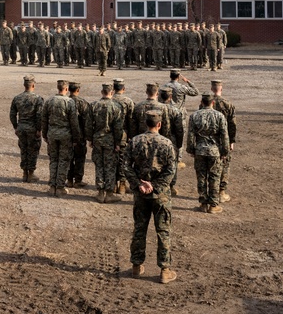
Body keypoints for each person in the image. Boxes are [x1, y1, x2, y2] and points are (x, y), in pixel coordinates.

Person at [123, 108, 177, 284]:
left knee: (139, 229)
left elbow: (126, 166)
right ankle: (165, 270)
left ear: (145, 123)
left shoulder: (135, 141)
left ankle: (136, 266)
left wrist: (138, 184)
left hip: (141, 194)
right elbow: (171, 170)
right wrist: (155, 186)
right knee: (163, 231)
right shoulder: (167, 143)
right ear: (159, 124)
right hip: (160, 195)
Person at [186, 94, 230, 213]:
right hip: (215, 151)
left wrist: (191, 150)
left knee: (201, 177)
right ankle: (213, 205)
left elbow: (190, 135)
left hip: (200, 150)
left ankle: (203, 204)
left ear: (201, 102)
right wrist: (225, 151)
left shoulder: (194, 116)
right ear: (213, 103)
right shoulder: (219, 116)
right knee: (214, 177)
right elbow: (224, 136)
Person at [86, 82, 124, 203]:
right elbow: (118, 128)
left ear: (102, 92)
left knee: (99, 165)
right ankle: (109, 193)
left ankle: (100, 193)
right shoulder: (116, 107)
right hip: (110, 141)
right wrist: (117, 143)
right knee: (110, 167)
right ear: (112, 92)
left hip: (97, 140)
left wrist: (90, 139)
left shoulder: (93, 105)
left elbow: (88, 125)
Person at [41, 79, 79, 196]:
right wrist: (76, 138)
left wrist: (45, 134)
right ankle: (60, 187)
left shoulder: (49, 101)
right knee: (64, 161)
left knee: (53, 160)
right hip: (65, 136)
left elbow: (44, 119)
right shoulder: (70, 102)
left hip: (52, 134)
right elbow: (74, 122)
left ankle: (52, 186)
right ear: (66, 89)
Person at [9, 74, 44, 182]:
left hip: (21, 128)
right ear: (33, 85)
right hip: (32, 129)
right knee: (33, 150)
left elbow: (12, 114)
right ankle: (31, 173)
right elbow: (39, 115)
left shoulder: (17, 98)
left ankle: (24, 173)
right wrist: (39, 129)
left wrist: (16, 126)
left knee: (23, 149)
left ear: (24, 85)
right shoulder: (38, 99)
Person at [210, 79, 237, 202]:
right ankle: (221, 192)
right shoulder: (228, 104)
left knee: (210, 167)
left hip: (209, 140)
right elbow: (232, 125)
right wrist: (232, 141)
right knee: (224, 165)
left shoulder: (206, 103)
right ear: (221, 88)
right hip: (224, 140)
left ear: (212, 89)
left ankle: (211, 192)